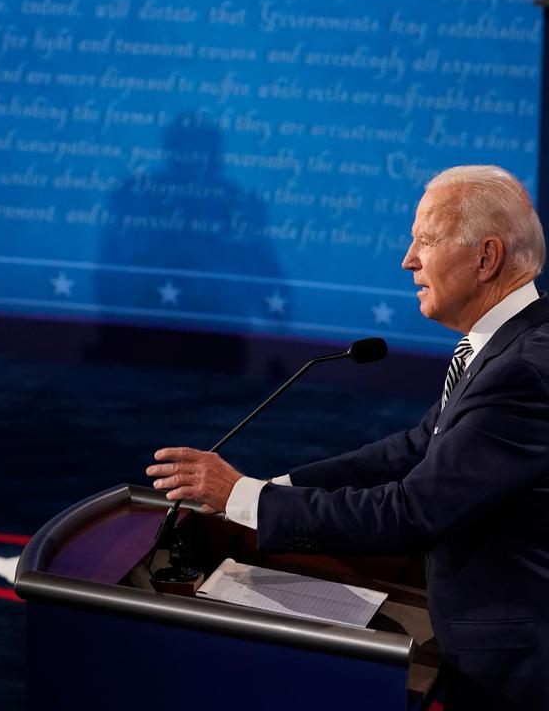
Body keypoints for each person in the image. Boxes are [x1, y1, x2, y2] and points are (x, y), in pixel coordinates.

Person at [146, 165, 549, 710]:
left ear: (486, 257)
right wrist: (264, 491)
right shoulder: (507, 348)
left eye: (425, 240)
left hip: (516, 671)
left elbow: (413, 512)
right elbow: (414, 449)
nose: (408, 260)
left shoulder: (521, 370)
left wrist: (245, 498)